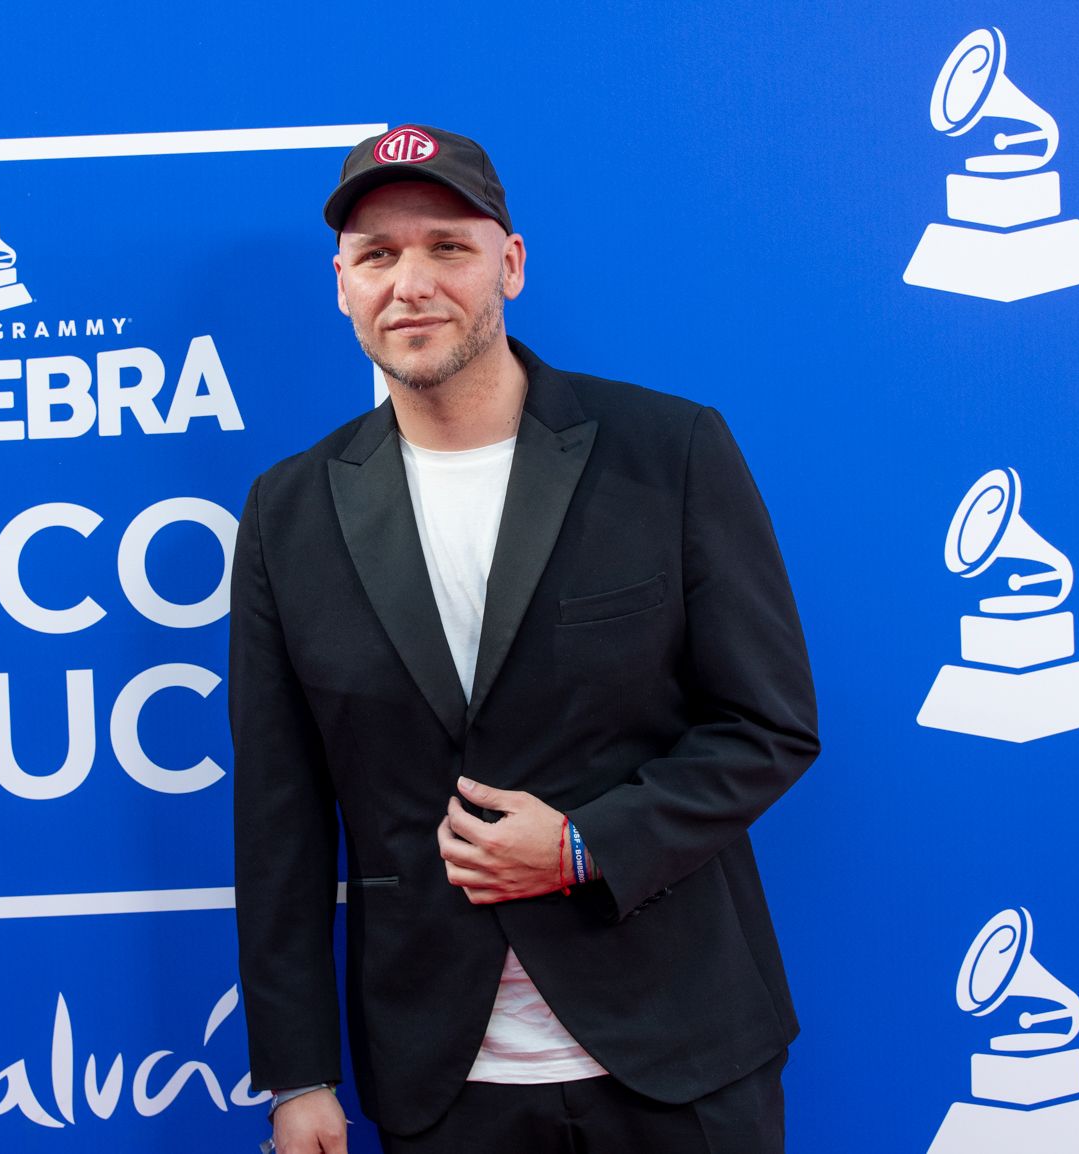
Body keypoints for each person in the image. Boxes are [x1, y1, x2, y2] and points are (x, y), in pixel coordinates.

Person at [229, 124, 818, 1154]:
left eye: (446, 246)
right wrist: (298, 1071)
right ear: (341, 286)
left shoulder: (669, 452)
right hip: (441, 1078)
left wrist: (588, 843)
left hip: (682, 1053)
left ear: (510, 262)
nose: (409, 282)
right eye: (377, 256)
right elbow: (279, 814)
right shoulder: (289, 513)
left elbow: (769, 725)